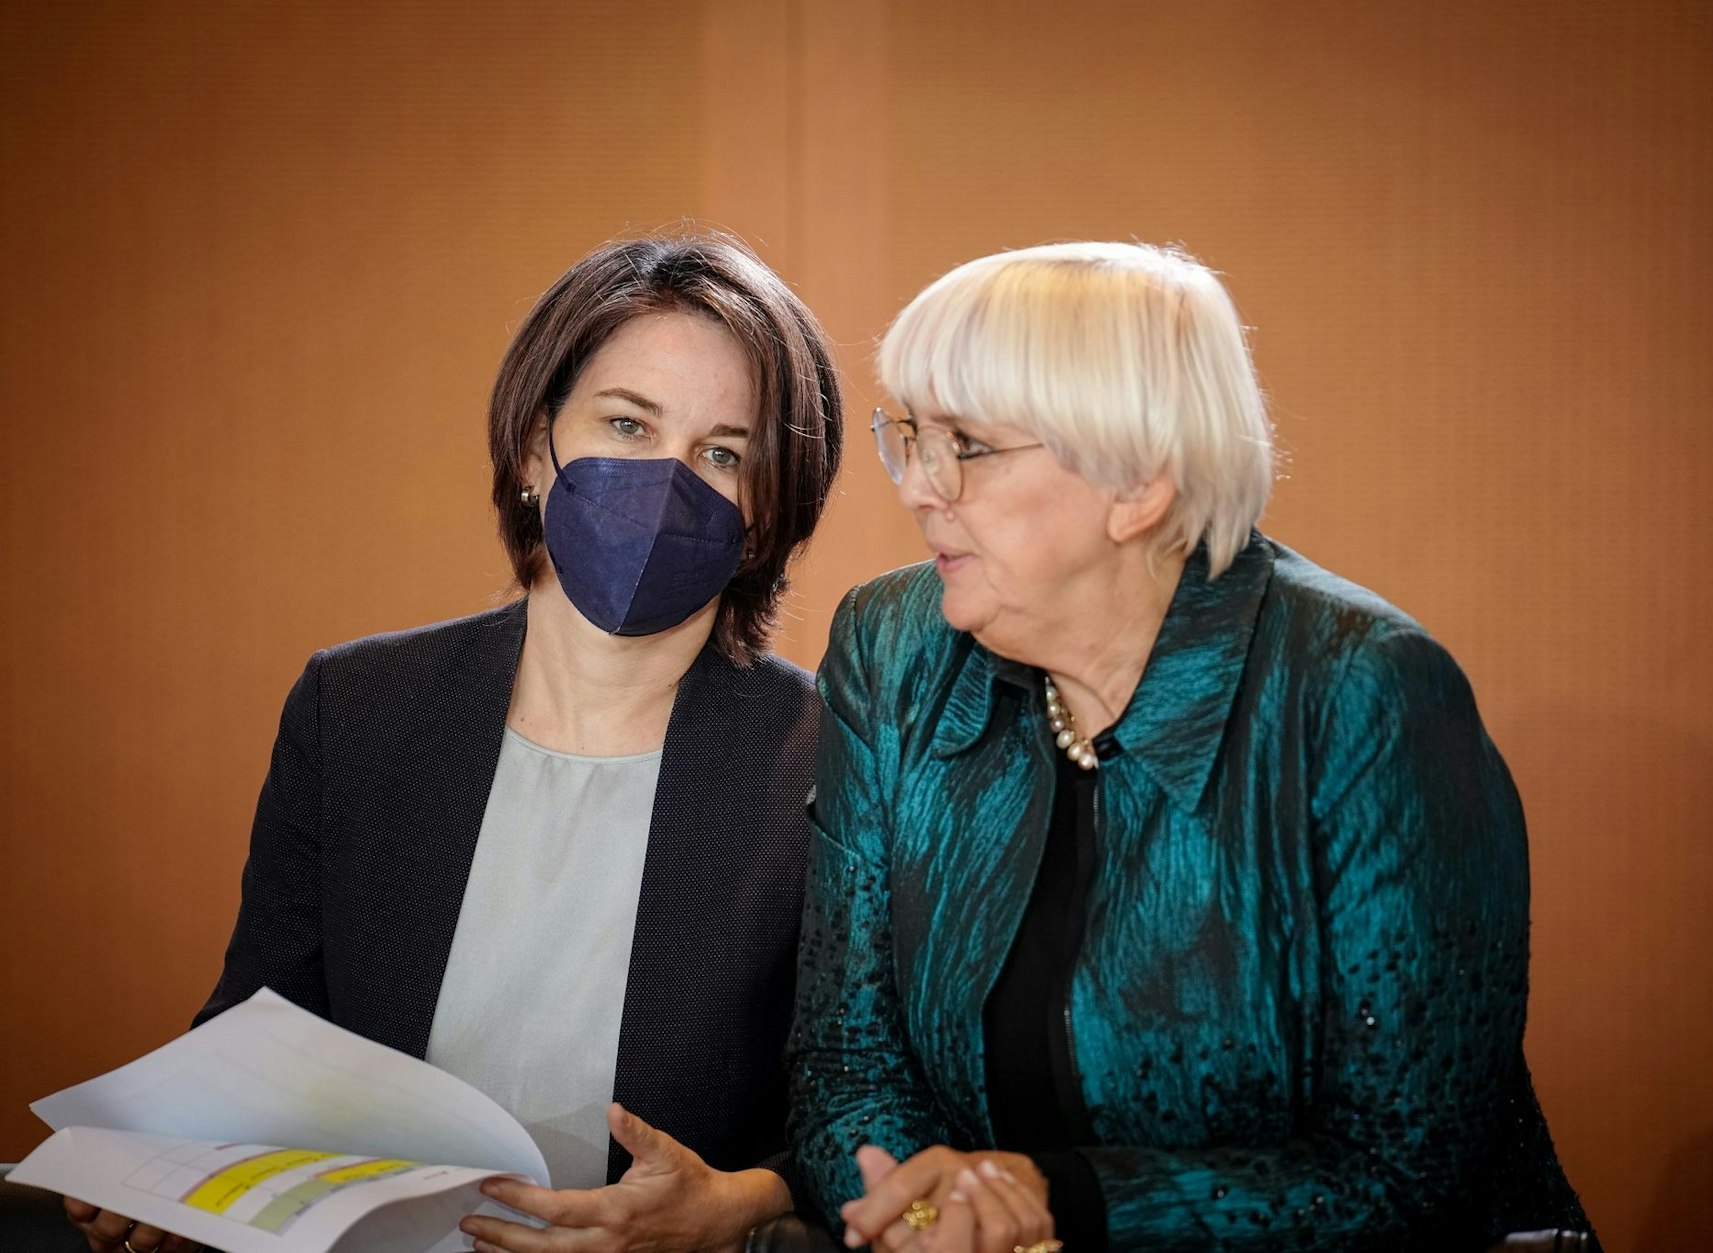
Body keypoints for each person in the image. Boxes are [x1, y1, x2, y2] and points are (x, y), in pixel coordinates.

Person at [788, 241, 1596, 1252]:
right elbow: (842, 1061)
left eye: (967, 445)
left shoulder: (1363, 692)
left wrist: (1056, 1206)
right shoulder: (892, 649)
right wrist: (918, 1214)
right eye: (909, 435)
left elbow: (1402, 1166)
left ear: (1139, 483)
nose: (917, 485)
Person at [64, 233, 844, 1253]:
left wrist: (738, 1206)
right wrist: (168, 1163)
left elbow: (856, 1114)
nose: (667, 482)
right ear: (534, 446)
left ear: (764, 514)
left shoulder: (827, 759)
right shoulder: (354, 708)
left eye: (723, 453)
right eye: (625, 423)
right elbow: (257, 1035)